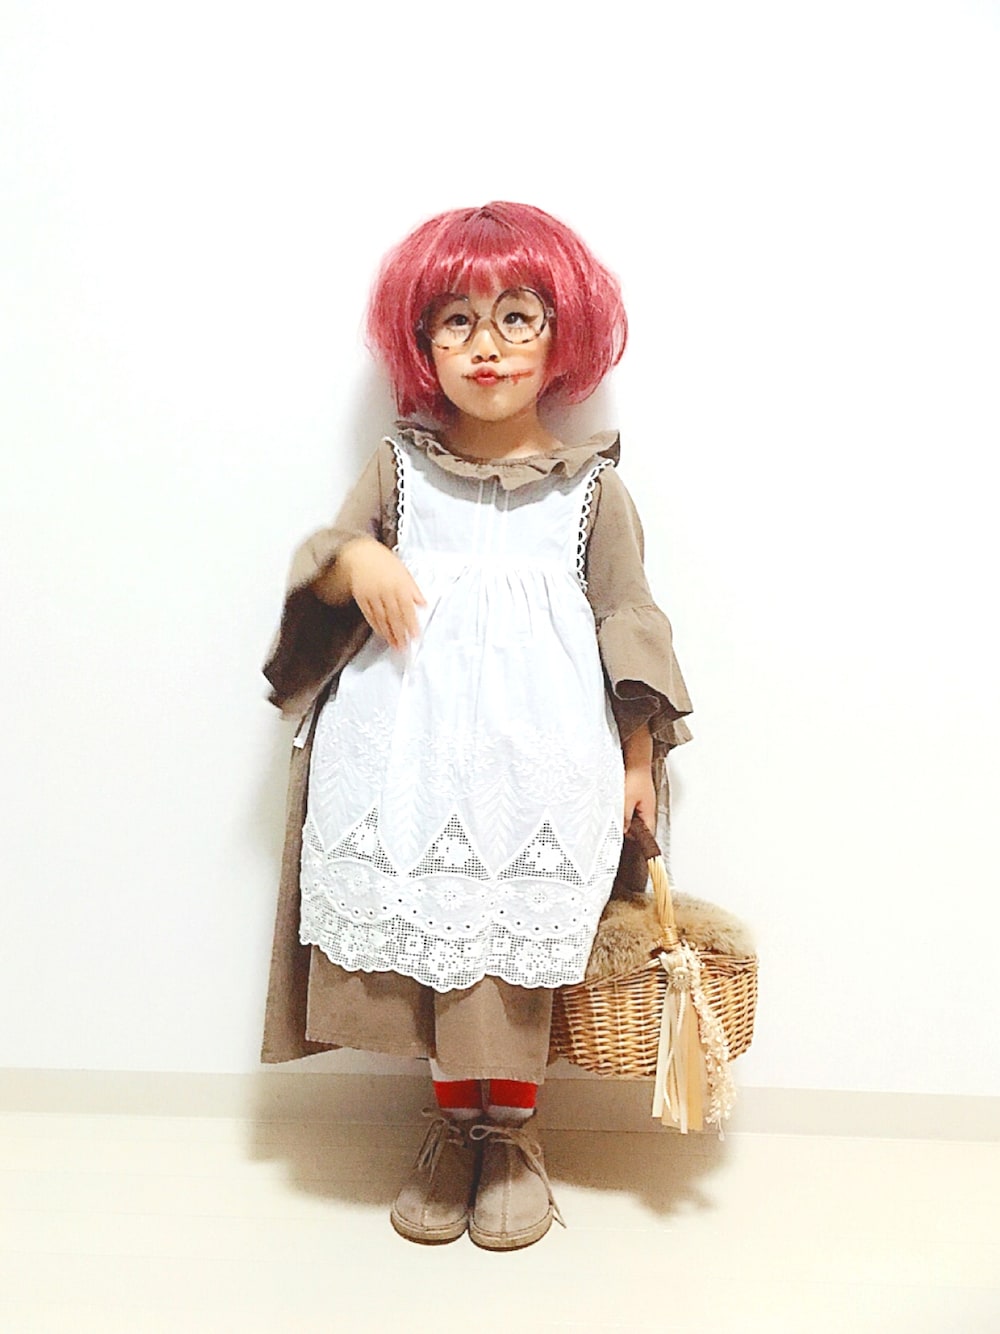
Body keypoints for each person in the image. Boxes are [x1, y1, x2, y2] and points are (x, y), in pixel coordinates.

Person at [260, 202, 692, 1250]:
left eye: (516, 317)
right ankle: (455, 1127)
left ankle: (514, 1134)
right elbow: (328, 562)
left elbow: (628, 623)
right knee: (438, 948)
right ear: (422, 344)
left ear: (561, 335)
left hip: (540, 764)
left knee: (514, 953)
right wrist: (354, 556)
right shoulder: (399, 471)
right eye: (456, 320)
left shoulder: (593, 490)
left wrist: (638, 761)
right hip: (409, 757)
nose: (486, 345)